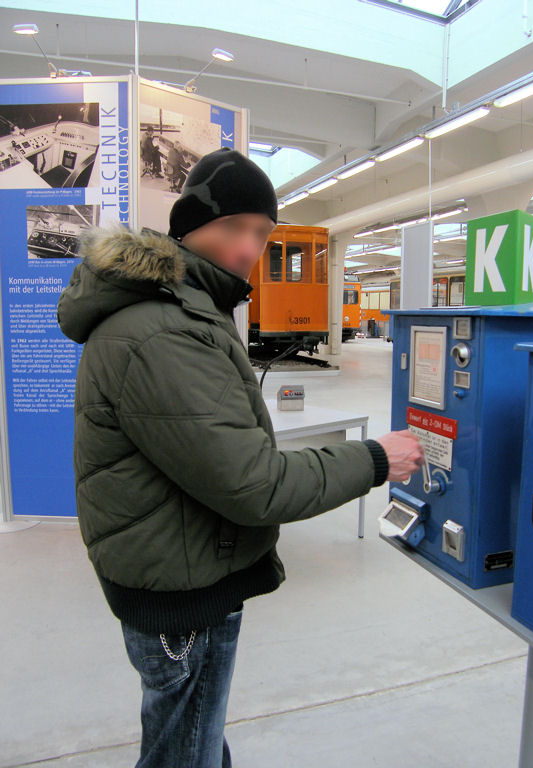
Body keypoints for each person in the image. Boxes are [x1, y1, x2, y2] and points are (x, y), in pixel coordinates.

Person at [57, 147, 424, 768]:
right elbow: (255, 485)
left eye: (261, 232)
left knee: (188, 737)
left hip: (176, 563)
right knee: (185, 751)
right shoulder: (163, 330)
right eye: (233, 227)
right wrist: (374, 459)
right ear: (186, 227)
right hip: (183, 587)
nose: (248, 247)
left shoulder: (181, 309)